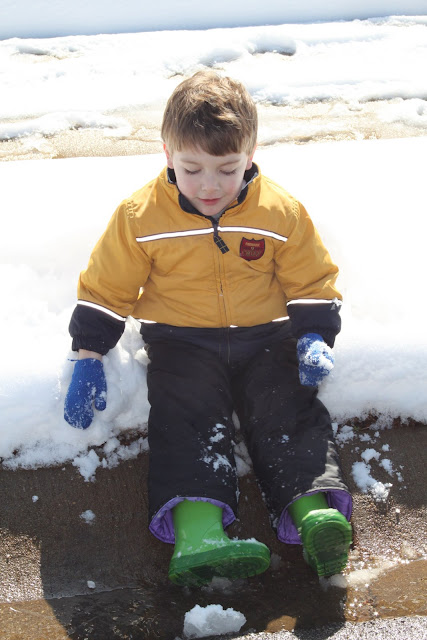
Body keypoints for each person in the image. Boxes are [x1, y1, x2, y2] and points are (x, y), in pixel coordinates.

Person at [64, 70, 353, 587]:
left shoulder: (279, 211)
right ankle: (199, 536)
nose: (210, 186)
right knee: (186, 419)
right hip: (181, 342)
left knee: (286, 409)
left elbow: (311, 278)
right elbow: (106, 287)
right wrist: (88, 354)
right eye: (192, 168)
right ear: (167, 153)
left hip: (267, 337)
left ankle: (315, 516)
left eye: (228, 169)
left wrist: (313, 335)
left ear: (251, 154)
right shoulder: (139, 217)